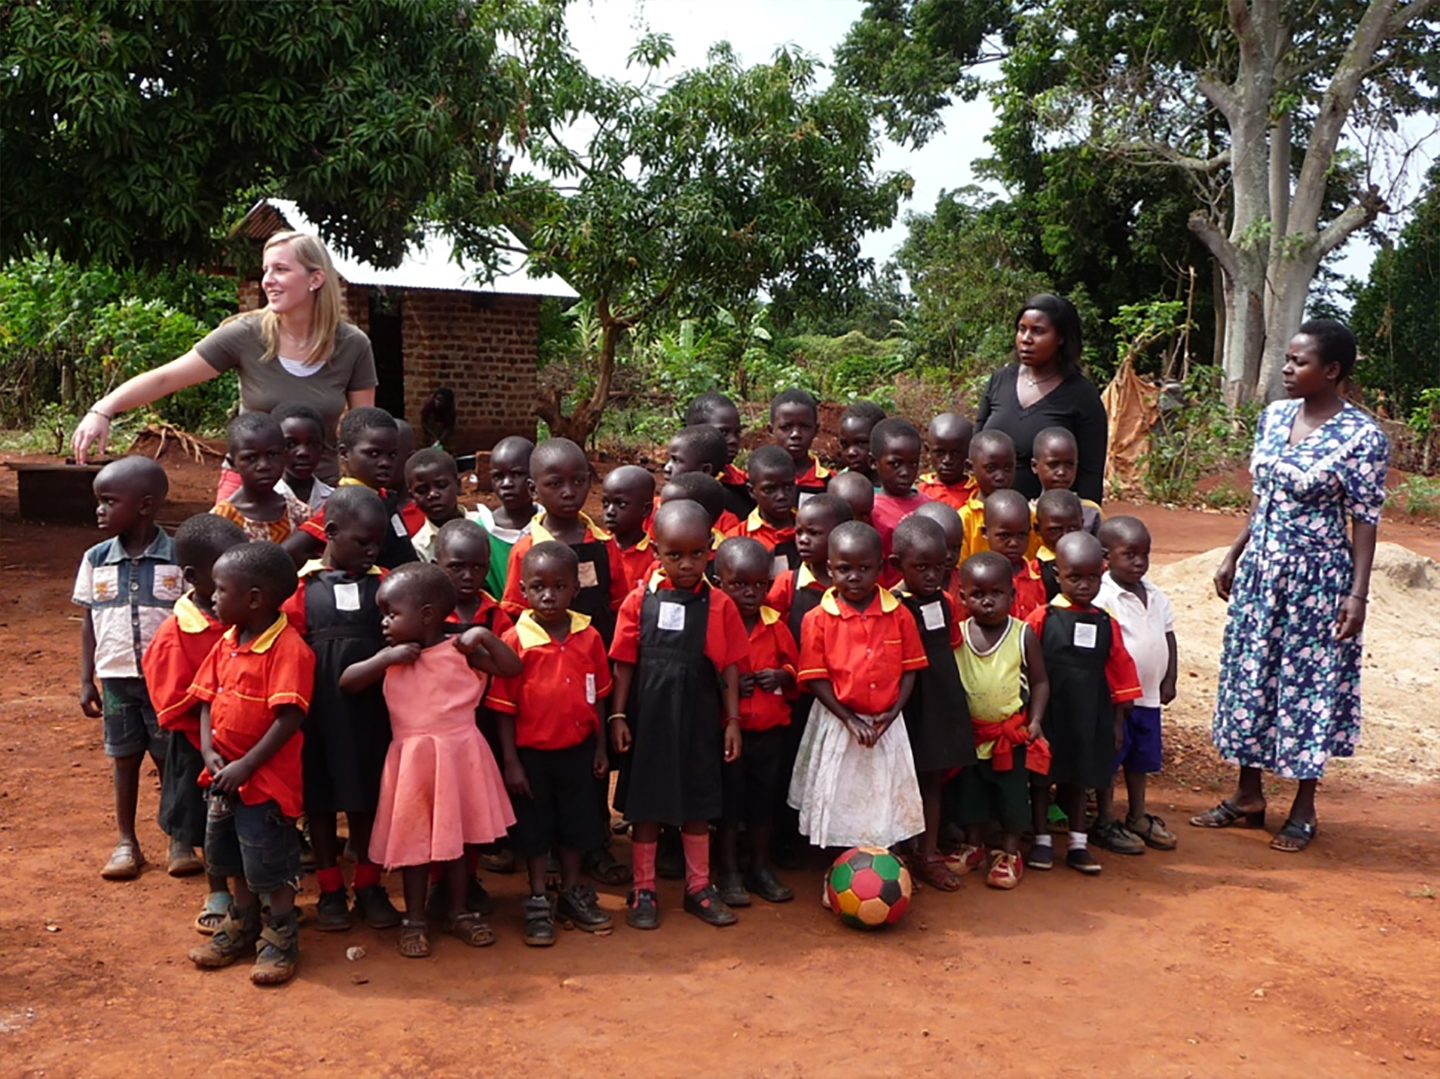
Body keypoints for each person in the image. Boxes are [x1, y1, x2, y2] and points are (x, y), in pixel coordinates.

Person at [1192, 320, 1389, 853]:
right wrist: (1234, 553)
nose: (1286, 368)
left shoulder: (1362, 437)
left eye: (1299, 362)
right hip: (1261, 573)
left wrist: (1357, 594)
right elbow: (1263, 500)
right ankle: (1247, 795)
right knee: (1251, 676)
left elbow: (1364, 519)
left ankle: (1304, 805)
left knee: (1308, 688)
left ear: (1332, 371)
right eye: (1286, 358)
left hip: (1317, 582)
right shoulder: (1274, 418)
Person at [71, 231, 377, 493]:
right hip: (247, 489)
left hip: (318, 489)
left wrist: (359, 493)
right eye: (266, 270)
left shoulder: (352, 345)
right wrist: (104, 408)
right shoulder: (244, 334)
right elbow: (167, 378)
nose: (267, 281)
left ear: (316, 279)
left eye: (281, 269)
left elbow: (361, 431)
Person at [339, 562, 521, 958]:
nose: (384, 621)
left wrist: (485, 636)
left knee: (456, 841)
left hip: (459, 756)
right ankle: (415, 918)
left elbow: (512, 669)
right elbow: (347, 682)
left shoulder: (460, 651)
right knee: (415, 843)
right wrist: (385, 659)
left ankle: (457, 911)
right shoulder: (390, 658)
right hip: (413, 763)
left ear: (426, 614)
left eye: (391, 613)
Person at [609, 501, 749, 930]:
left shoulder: (720, 605)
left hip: (699, 721)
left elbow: (728, 666)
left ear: (710, 549)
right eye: (674, 555)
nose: (686, 564)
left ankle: (698, 887)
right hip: (649, 720)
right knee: (646, 808)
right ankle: (645, 887)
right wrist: (617, 716)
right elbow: (625, 663)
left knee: (697, 805)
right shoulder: (637, 602)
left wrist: (732, 722)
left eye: (696, 554)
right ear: (656, 551)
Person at [186, 541, 312, 985]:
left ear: (254, 598)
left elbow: (290, 717)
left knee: (268, 863)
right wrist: (207, 750)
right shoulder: (227, 641)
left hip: (266, 784)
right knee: (229, 856)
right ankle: (242, 925)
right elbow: (205, 700)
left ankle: (281, 935)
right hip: (221, 777)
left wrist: (248, 765)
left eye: (221, 590)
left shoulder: (288, 649)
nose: (213, 596)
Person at [280, 485, 400, 932]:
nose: (371, 550)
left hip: (374, 712)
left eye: (377, 543)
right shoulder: (300, 589)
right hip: (320, 714)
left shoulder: (386, 584)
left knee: (369, 798)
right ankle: (330, 887)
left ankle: (369, 884)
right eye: (361, 541)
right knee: (322, 800)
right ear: (330, 532)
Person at [487, 542, 615, 946]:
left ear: (575, 589)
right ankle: (539, 895)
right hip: (531, 756)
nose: (549, 595)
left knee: (576, 825)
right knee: (535, 831)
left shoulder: (589, 635)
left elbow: (599, 692)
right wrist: (510, 761)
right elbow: (503, 707)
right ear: (523, 590)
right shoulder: (514, 640)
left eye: (559, 586)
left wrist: (599, 747)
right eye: (539, 587)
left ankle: (573, 890)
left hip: (577, 750)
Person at [789, 522, 926, 860]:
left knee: (883, 793)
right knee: (838, 796)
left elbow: (910, 668)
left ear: (880, 568)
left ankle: (885, 864)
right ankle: (838, 870)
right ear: (829, 568)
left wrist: (894, 713)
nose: (854, 577)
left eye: (864, 569)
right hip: (839, 722)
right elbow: (816, 676)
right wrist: (849, 719)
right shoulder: (817, 618)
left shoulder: (900, 614)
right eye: (844, 569)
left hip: (886, 723)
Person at [73, 455, 179, 880]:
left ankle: (179, 838)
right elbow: (88, 621)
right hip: (116, 677)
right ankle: (126, 842)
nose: (99, 509)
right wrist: (86, 679)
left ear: (145, 505)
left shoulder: (177, 555)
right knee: (124, 758)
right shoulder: (96, 558)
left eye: (108, 500)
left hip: (167, 681)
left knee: (170, 756)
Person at [143, 513, 248, 928]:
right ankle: (218, 894)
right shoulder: (174, 634)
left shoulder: (246, 621)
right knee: (208, 823)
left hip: (246, 749)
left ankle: (254, 889)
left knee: (247, 821)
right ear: (192, 576)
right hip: (197, 750)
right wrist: (212, 735)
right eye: (224, 572)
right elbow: (171, 704)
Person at [1024, 532, 1142, 875]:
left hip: (1090, 716)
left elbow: (1120, 671)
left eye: (1093, 577)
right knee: (1043, 779)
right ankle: (1043, 840)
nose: (1084, 585)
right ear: (1058, 575)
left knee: (1080, 778)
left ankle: (1078, 842)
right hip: (1050, 715)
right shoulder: (1042, 617)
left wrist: (1118, 723)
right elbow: (1028, 668)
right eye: (1075, 577)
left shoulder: (1107, 622)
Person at [952, 552, 1051, 890]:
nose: (988, 602)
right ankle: (973, 845)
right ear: (962, 597)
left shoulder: (1022, 635)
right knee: (972, 794)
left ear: (1013, 595)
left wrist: (1035, 719)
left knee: (1011, 798)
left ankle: (1010, 852)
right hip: (973, 735)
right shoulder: (959, 636)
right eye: (978, 594)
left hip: (1011, 736)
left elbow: (1040, 681)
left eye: (997, 593)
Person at [765, 492, 852, 866]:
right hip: (797, 694)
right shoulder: (788, 583)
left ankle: (828, 839)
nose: (802, 539)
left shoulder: (851, 585)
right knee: (792, 763)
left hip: (838, 694)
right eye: (799, 531)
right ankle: (786, 838)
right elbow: (769, 631)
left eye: (813, 533)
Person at [890, 516, 975, 892]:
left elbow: (952, 646)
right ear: (897, 565)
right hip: (905, 705)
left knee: (933, 780)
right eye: (919, 567)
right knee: (895, 780)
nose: (930, 575)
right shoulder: (892, 605)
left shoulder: (945, 601)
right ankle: (893, 854)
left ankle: (928, 853)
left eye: (937, 566)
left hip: (939, 702)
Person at [714, 537, 799, 907]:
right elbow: (705, 674)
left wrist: (781, 676)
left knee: (763, 805)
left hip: (769, 734)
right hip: (729, 736)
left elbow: (798, 670)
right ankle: (728, 871)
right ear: (720, 584)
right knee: (729, 807)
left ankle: (760, 868)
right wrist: (730, 685)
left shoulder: (776, 625)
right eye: (740, 585)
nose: (751, 593)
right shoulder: (714, 624)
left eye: (760, 585)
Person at [1092, 516, 1178, 854]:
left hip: (1150, 697)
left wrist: (1169, 678)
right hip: (1117, 699)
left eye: (1145, 554)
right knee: (1111, 758)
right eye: (1129, 554)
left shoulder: (1156, 595)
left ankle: (1138, 815)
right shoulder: (1103, 597)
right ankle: (1105, 819)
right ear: (1106, 556)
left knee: (1141, 759)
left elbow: (1168, 637)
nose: (1139, 562)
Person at [976, 293, 1107, 503]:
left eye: (1038, 331)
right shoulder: (999, 381)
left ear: (1061, 338)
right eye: (1022, 329)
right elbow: (977, 448)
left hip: (1048, 523)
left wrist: (1084, 524)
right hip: (990, 520)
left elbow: (1091, 475)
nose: (1026, 339)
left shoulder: (1082, 395)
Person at [501, 438, 627, 643]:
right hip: (544, 658)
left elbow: (618, 605)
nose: (569, 492)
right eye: (555, 484)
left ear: (588, 481)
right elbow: (514, 613)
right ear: (533, 490)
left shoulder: (603, 543)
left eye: (578, 481)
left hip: (596, 653)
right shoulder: (526, 551)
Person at [284, 406, 418, 570]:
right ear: (344, 453)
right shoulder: (347, 503)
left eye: (392, 455)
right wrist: (325, 573)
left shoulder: (383, 495)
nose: (385, 463)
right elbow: (290, 551)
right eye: (374, 454)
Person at [211, 412, 311, 542]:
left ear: (284, 456)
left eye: (272, 454)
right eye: (250, 458)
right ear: (232, 463)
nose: (264, 466)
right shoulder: (222, 519)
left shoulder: (299, 513)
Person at [870, 417, 932, 587]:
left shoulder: (929, 506)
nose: (905, 472)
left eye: (912, 463)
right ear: (874, 463)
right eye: (895, 464)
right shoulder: (872, 511)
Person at [474, 435, 536, 599]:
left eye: (516, 474)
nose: (506, 483)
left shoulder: (550, 525)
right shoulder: (480, 532)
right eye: (498, 476)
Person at [725, 445, 799, 572]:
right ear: (751, 491)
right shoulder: (737, 538)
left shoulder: (810, 532)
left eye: (788, 486)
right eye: (769, 489)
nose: (781, 496)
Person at [686, 391, 754, 518]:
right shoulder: (684, 489)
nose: (733, 440)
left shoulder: (741, 481)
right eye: (723, 433)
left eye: (737, 433)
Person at [665, 425, 742, 533]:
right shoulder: (657, 507)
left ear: (706, 470)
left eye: (676, 460)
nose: (667, 468)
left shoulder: (727, 523)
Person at [983, 489, 1046, 620]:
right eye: (1004, 536)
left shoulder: (1039, 576)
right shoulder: (979, 580)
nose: (1013, 543)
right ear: (985, 532)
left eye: (1021, 535)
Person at [1031, 426, 1102, 537]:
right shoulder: (1027, 514)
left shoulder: (1090, 511)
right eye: (1053, 464)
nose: (1061, 472)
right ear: (1035, 466)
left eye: (1069, 464)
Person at [958, 429, 1018, 560]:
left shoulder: (1024, 513)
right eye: (991, 468)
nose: (1000, 476)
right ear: (970, 468)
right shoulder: (965, 520)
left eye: (1008, 468)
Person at [404, 448, 469, 562]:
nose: (433, 495)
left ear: (458, 485)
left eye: (441, 485)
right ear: (412, 497)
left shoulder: (485, 525)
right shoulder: (419, 548)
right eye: (422, 490)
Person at [602, 465, 658, 594]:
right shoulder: (598, 546)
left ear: (646, 510)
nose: (609, 511)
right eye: (605, 503)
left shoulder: (655, 555)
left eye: (621, 504)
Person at [272, 401, 335, 512]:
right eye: (290, 444)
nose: (303, 452)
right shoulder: (266, 501)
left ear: (323, 448)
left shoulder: (334, 500)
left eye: (312, 444)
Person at [768, 388, 831, 497]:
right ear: (771, 430)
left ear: (815, 430)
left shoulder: (829, 481)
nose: (796, 434)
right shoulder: (761, 479)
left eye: (805, 427)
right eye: (786, 427)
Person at [1032, 489, 1085, 601]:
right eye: (1055, 530)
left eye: (1073, 528)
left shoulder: (1090, 561)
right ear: (1038, 529)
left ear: (1082, 524)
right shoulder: (1034, 571)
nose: (1065, 536)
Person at [918, 413, 977, 509]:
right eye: (939, 452)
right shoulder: (920, 493)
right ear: (928, 450)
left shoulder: (976, 493)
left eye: (956, 453)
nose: (947, 460)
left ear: (969, 452)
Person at [837, 401, 886, 481]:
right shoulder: (838, 485)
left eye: (861, 443)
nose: (851, 452)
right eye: (845, 445)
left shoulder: (900, 488)